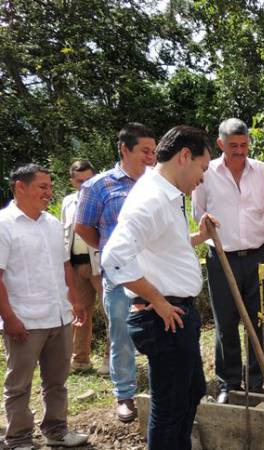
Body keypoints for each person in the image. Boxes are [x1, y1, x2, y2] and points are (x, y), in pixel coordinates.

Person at [102, 126, 214, 450]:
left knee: (191, 392)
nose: (202, 178)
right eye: (202, 169)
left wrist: (200, 236)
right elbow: (114, 257)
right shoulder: (151, 199)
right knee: (170, 407)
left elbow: (163, 247)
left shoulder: (165, 193)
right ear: (184, 157)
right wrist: (158, 300)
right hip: (164, 317)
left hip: (175, 313)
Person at [1, 164, 89, 449]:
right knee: (19, 385)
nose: (49, 193)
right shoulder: (4, 225)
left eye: (50, 187)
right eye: (42, 187)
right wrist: (9, 318)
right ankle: (18, 438)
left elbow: (65, 266)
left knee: (57, 381)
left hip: (58, 315)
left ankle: (56, 431)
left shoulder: (51, 224)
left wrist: (74, 300)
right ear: (20, 187)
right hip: (24, 320)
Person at [75, 122, 156, 422]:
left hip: (153, 273)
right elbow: (83, 227)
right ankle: (124, 394)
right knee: (121, 333)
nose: (151, 157)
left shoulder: (158, 183)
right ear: (124, 149)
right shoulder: (99, 186)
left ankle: (159, 387)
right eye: (145, 151)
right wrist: (110, 252)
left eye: (154, 151)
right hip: (120, 275)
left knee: (157, 329)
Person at [191, 118, 264, 403]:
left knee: (259, 321)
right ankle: (229, 383)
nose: (239, 151)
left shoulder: (261, 170)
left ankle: (256, 381)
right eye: (233, 146)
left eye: (244, 145)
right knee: (225, 323)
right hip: (222, 258)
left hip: (257, 256)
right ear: (220, 144)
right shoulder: (207, 172)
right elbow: (198, 212)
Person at [61, 159, 108, 374]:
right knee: (79, 311)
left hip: (99, 262)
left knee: (110, 310)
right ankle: (80, 359)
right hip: (75, 262)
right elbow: (65, 234)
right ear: (72, 182)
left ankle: (110, 359)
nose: (84, 184)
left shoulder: (104, 199)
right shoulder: (68, 202)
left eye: (88, 180)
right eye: (80, 181)